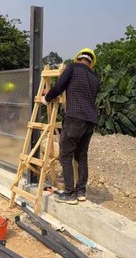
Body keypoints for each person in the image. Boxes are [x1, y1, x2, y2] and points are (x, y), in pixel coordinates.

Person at [42, 48, 100, 204]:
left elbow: (60, 86)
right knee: (81, 156)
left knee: (66, 156)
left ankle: (69, 193)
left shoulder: (73, 68)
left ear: (78, 59)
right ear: (91, 62)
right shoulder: (94, 77)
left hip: (75, 118)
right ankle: (81, 192)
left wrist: (47, 97)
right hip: (90, 121)